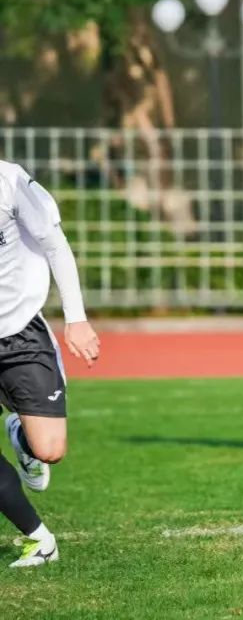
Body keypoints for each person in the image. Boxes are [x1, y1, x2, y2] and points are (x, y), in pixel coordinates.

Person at [0, 161, 100, 567]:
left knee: (50, 450)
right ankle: (39, 539)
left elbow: (55, 244)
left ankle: (21, 435)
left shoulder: (9, 180)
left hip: (20, 331)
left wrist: (77, 319)